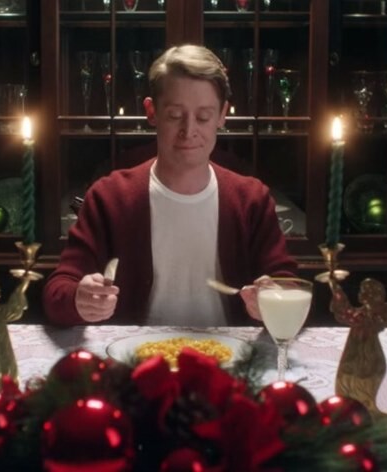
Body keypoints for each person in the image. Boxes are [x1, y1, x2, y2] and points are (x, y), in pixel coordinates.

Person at [43, 44, 297, 327]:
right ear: (151, 111)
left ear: (222, 114)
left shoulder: (251, 199)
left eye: (203, 117)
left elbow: (288, 286)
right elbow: (58, 291)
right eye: (175, 115)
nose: (189, 131)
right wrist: (78, 298)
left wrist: (274, 299)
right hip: (135, 352)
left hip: (229, 352)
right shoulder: (110, 196)